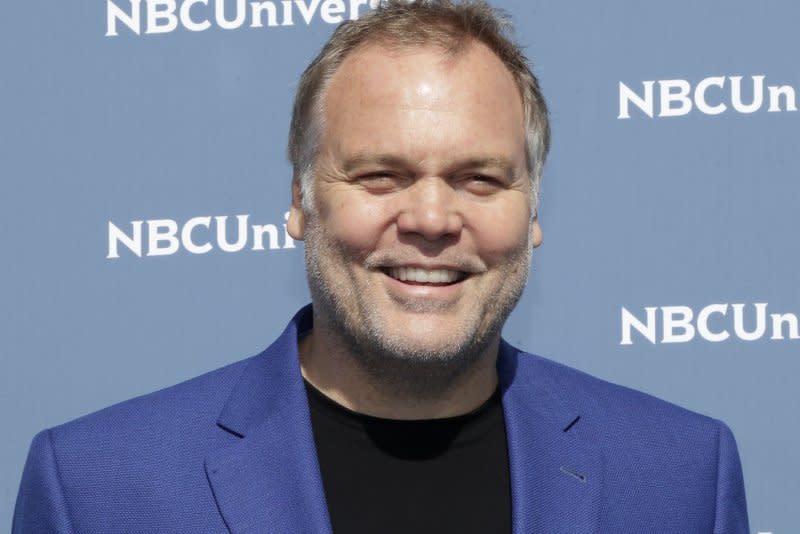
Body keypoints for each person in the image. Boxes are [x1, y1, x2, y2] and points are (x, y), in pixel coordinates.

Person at [14, 1, 749, 532]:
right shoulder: (98, 487)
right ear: (299, 202)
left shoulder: (681, 476)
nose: (431, 219)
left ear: (532, 213)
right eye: (380, 176)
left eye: (480, 179)